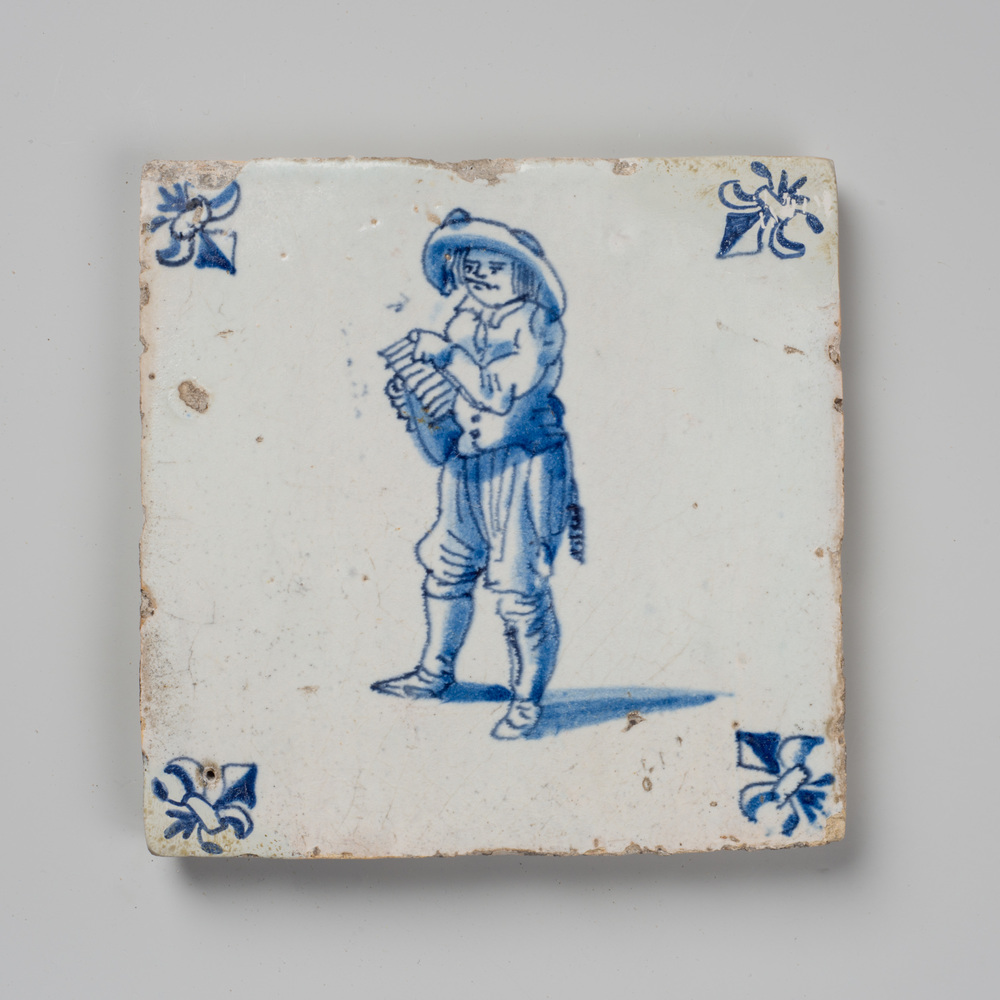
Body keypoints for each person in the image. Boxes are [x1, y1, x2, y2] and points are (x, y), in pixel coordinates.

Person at [372, 208, 583, 740]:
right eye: (471, 266)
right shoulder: (464, 319)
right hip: (469, 464)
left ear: (524, 273)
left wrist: (445, 357)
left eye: (494, 266)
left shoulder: (537, 324)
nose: (479, 276)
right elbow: (453, 403)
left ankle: (526, 699)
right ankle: (434, 672)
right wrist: (417, 397)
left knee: (519, 587)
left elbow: (498, 392)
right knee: (447, 565)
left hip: (526, 465)